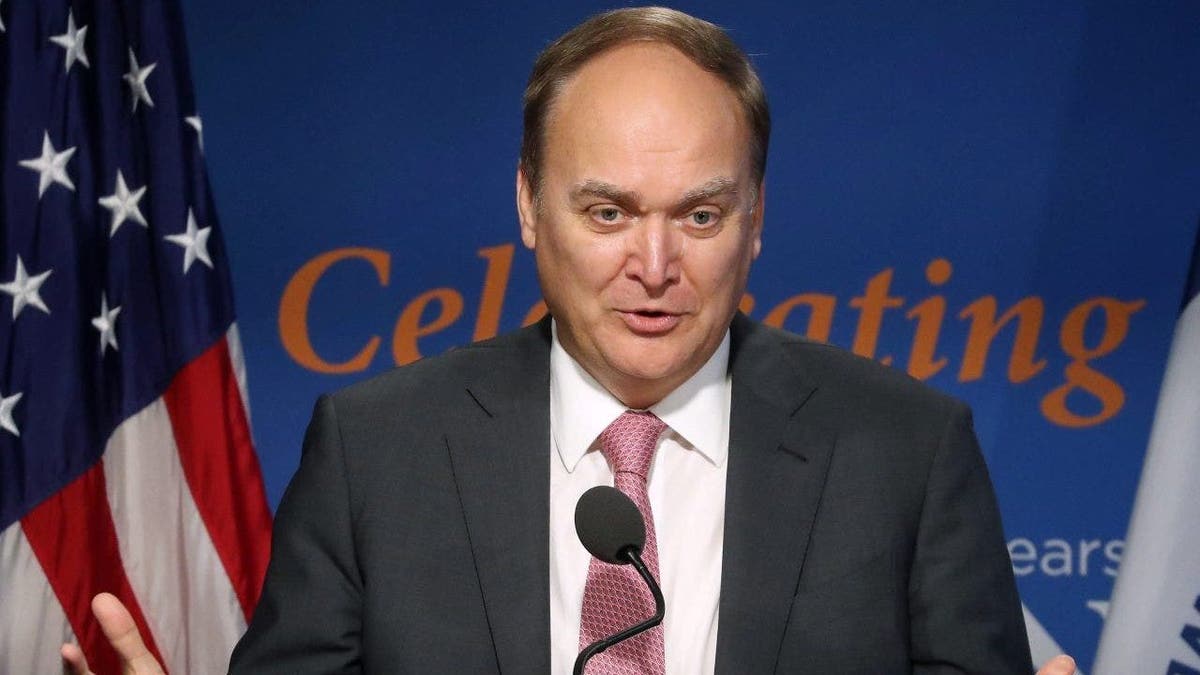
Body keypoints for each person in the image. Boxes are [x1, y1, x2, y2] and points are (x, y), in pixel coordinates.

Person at [63, 7, 1079, 674]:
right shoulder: (376, 450)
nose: (654, 264)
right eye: (607, 212)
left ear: (756, 220)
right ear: (528, 207)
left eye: (700, 214)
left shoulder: (906, 452)